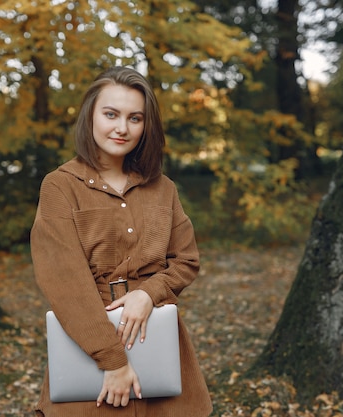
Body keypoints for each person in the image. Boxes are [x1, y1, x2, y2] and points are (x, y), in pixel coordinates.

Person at [30, 66, 213, 417]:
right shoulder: (59, 186)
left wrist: (149, 293)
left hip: (156, 340)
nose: (122, 128)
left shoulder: (163, 188)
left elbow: (185, 260)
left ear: (147, 126)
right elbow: (64, 281)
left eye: (135, 118)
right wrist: (112, 361)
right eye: (111, 114)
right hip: (88, 344)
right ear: (91, 116)